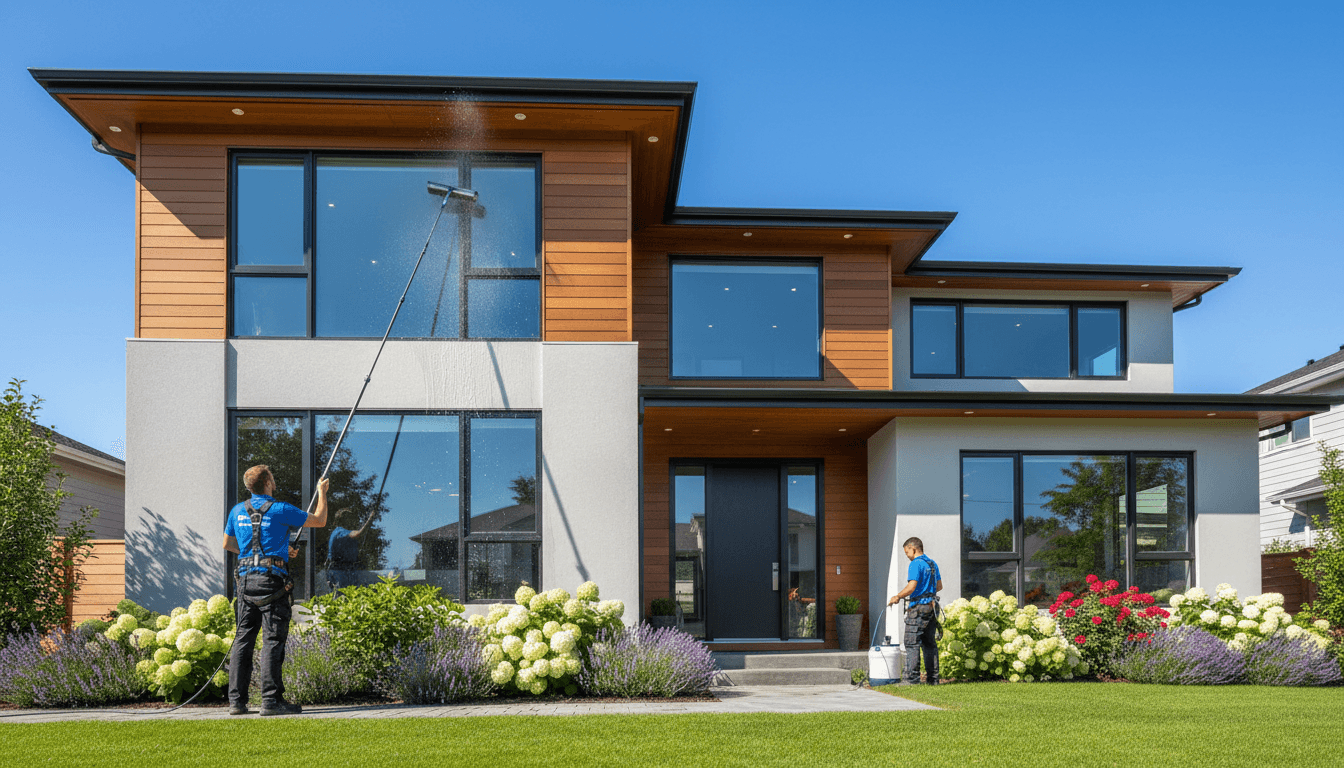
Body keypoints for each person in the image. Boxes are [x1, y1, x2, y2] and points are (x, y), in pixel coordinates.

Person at [223, 465, 329, 716]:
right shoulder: (281, 509)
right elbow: (320, 520)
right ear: (268, 482)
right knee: (272, 640)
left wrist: (269, 555)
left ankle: (236, 702)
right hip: (272, 583)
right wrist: (321, 492)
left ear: (250, 487)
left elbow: (228, 543)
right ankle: (270, 702)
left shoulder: (237, 510)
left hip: (246, 582)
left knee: (243, 640)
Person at [887, 536, 942, 685]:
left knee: (911, 643)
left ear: (913, 548)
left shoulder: (915, 564)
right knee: (929, 643)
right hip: (931, 608)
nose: (907, 555)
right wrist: (926, 590)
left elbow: (911, 587)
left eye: (907, 552)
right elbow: (939, 587)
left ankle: (911, 680)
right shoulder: (932, 564)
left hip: (917, 608)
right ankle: (933, 679)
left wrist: (897, 596)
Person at [325, 506, 380, 591]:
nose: (352, 520)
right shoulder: (339, 531)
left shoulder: (343, 534)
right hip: (340, 571)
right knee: (342, 596)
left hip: (346, 571)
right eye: (349, 518)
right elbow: (358, 534)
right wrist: (370, 519)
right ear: (342, 520)